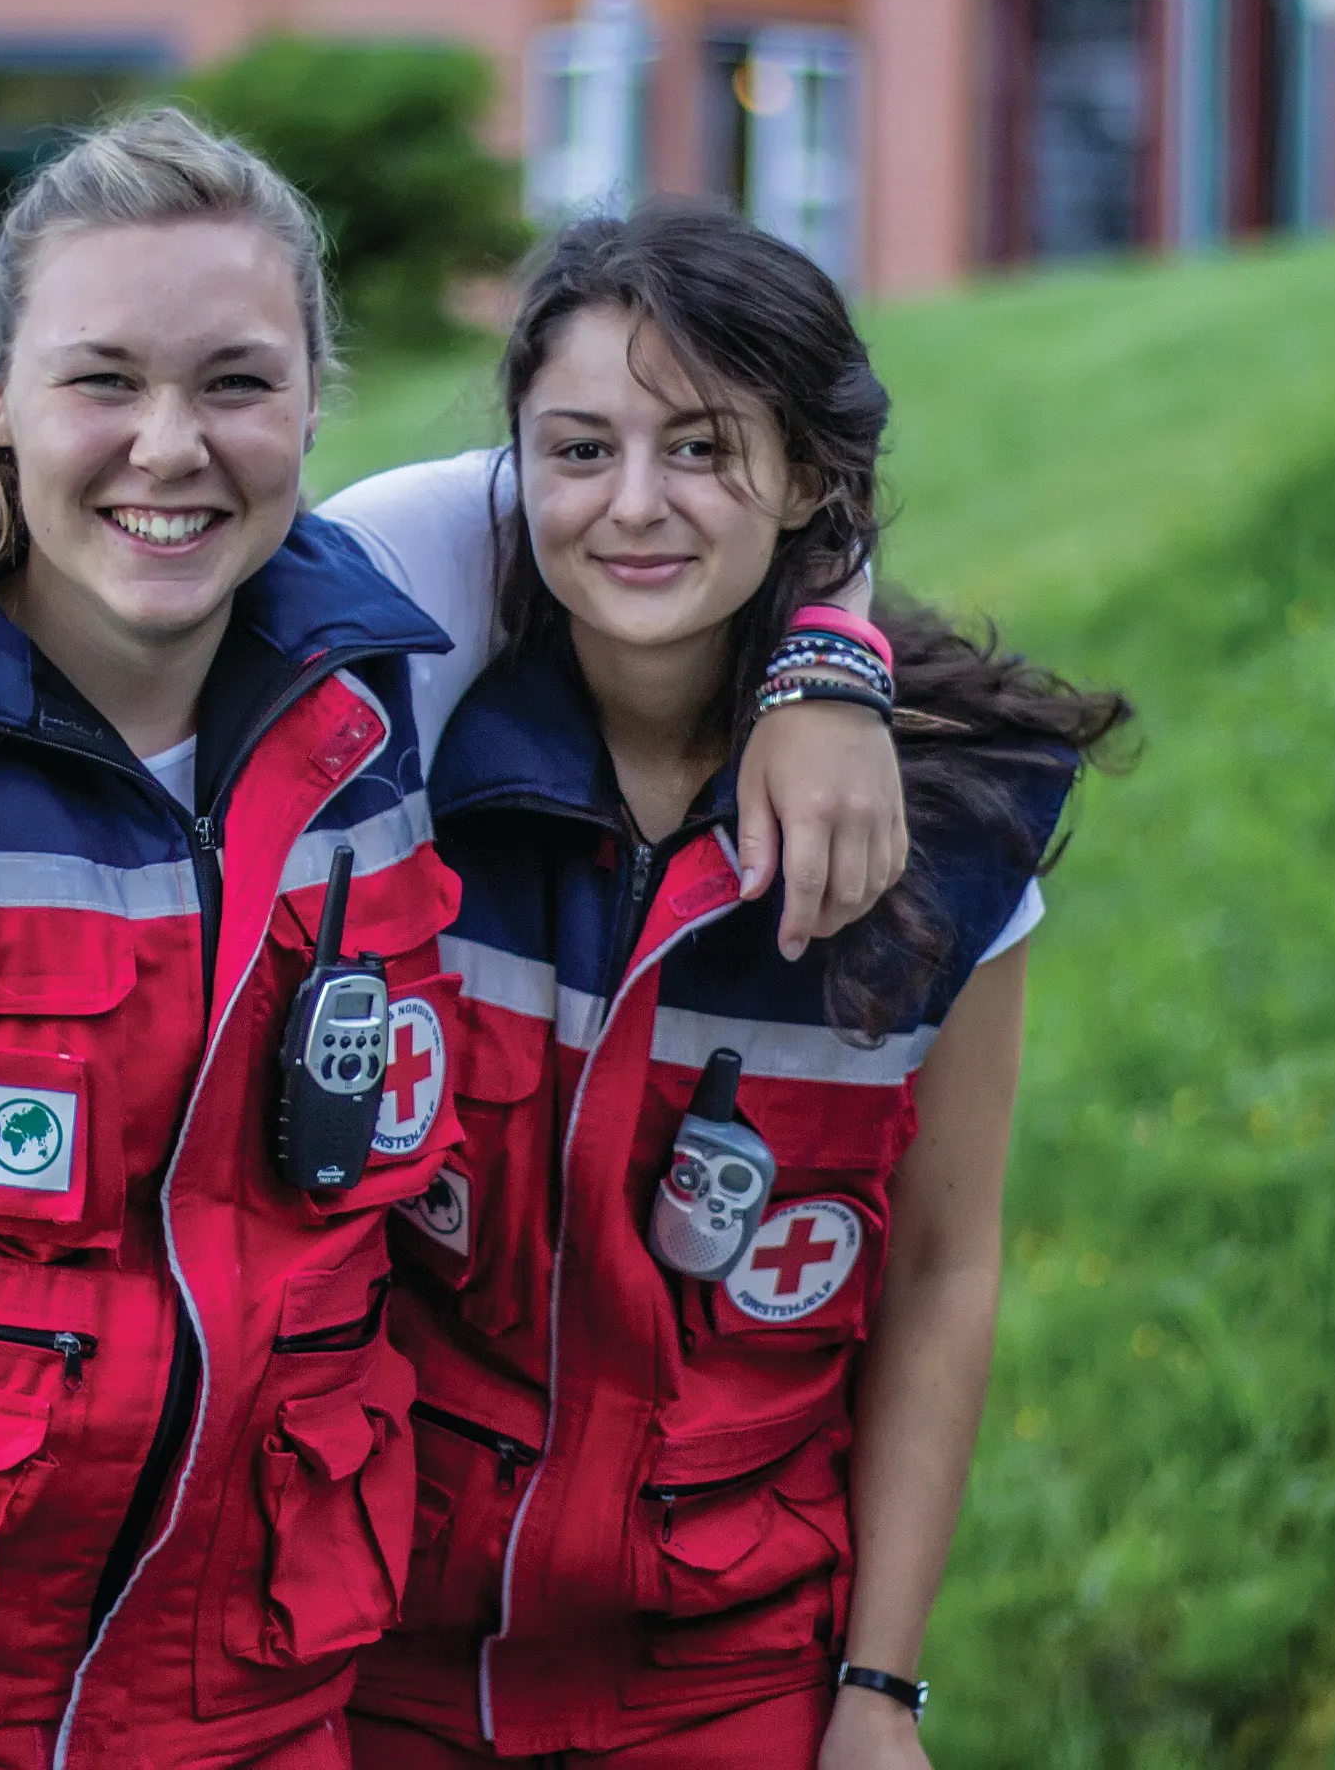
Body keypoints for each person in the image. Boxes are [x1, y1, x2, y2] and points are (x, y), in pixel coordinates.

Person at [0, 113, 910, 1770]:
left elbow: (709, 469)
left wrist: (828, 662)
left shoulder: (395, 620)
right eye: (101, 378)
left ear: (313, 405)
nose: (170, 447)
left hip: (238, 1715)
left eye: (239, 384)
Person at [337, 205, 1124, 1769]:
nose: (635, 505)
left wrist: (879, 1693)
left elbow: (943, 1273)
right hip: (364, 1662)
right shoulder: (391, 756)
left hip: (721, 1682)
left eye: (702, 449)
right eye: (580, 451)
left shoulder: (951, 832)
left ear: (812, 484)